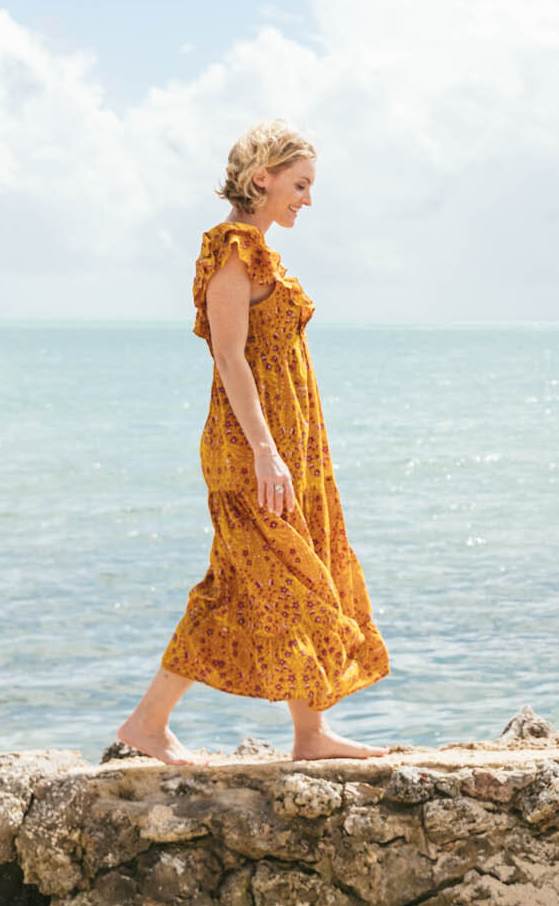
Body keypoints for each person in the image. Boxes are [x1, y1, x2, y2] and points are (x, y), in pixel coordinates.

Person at [115, 121, 390, 764]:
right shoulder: (234, 249)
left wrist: (288, 451)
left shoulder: (259, 250)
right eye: (300, 185)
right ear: (260, 178)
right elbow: (231, 360)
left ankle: (305, 732)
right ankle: (153, 724)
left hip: (289, 445)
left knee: (268, 580)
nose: (308, 200)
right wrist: (266, 452)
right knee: (279, 581)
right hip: (251, 448)